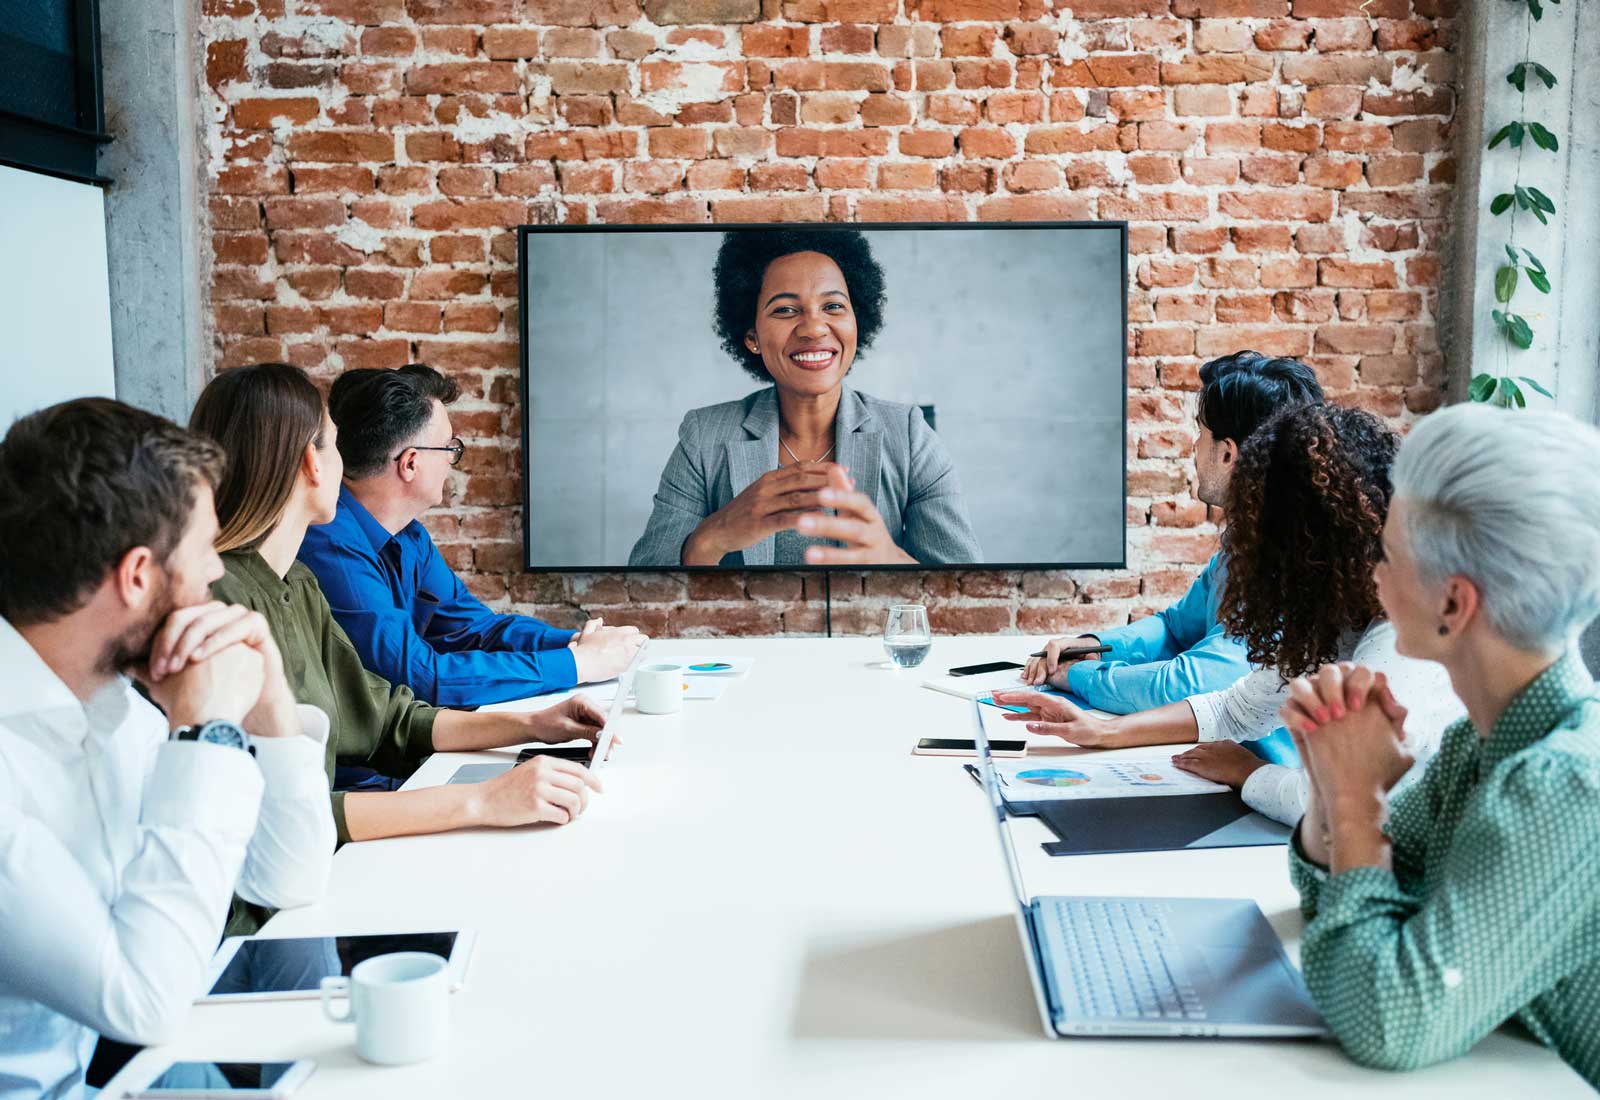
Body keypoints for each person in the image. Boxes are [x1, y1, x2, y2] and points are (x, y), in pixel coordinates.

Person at [0, 399, 334, 1100]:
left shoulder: (118, 703)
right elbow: (144, 1002)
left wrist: (270, 700)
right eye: (206, 549)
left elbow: (288, 878)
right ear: (138, 576)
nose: (218, 573)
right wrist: (208, 733)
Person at [1280, 404, 1600, 1084]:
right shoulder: (1476, 746)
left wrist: (1357, 802)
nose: (1373, 572)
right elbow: (1338, 900)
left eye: (1388, 554)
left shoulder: (1563, 781)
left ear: (1453, 605)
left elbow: (1388, 1020)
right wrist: (1327, 775)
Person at [190, 363, 609, 848]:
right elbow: (267, 819)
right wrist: (482, 800)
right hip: (291, 871)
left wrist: (535, 724)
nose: (346, 463)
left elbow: (388, 716)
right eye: (333, 443)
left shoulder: (297, 582)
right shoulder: (220, 603)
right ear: (312, 462)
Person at [994, 403, 1463, 825]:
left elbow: (1326, 807)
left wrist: (1248, 772)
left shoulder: (1402, 643)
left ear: (1309, 545)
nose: (1246, 550)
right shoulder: (1337, 616)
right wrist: (1102, 731)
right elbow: (1239, 707)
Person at [628, 227, 981, 567]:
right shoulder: (704, 436)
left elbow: (968, 592)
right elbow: (643, 583)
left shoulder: (909, 434)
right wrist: (716, 534)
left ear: (857, 322)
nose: (813, 328)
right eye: (785, 309)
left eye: (833, 307)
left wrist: (888, 557)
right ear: (751, 335)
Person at [297, 363, 643, 708]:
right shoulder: (329, 544)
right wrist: (578, 664)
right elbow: (420, 677)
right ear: (411, 464)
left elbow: (476, 630)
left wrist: (575, 642)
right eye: (450, 447)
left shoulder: (409, 536)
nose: (453, 460)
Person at [1024, 351, 1325, 720]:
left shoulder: (1287, 565)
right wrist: (1094, 646)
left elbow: (1188, 684)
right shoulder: (1242, 546)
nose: (1194, 448)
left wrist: (1077, 676)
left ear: (1228, 453)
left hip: (1254, 772)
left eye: (1200, 433)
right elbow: (1175, 628)